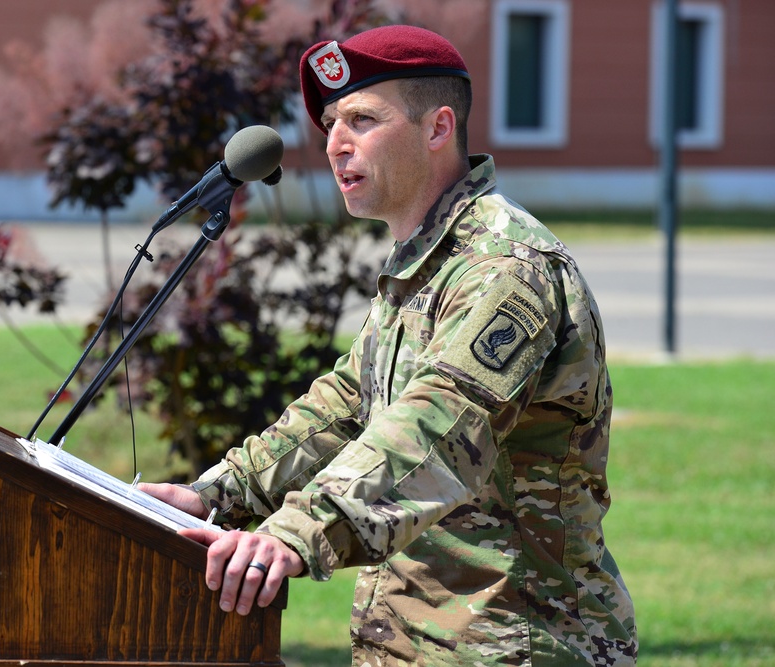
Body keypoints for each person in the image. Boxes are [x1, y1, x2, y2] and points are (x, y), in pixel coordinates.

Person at [142, 24, 638, 666]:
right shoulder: (425, 263)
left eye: (362, 119)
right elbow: (345, 407)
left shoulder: (505, 267)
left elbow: (436, 426)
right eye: (330, 124)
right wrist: (215, 494)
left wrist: (295, 534)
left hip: (515, 643)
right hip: (416, 642)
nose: (335, 144)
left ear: (437, 129)